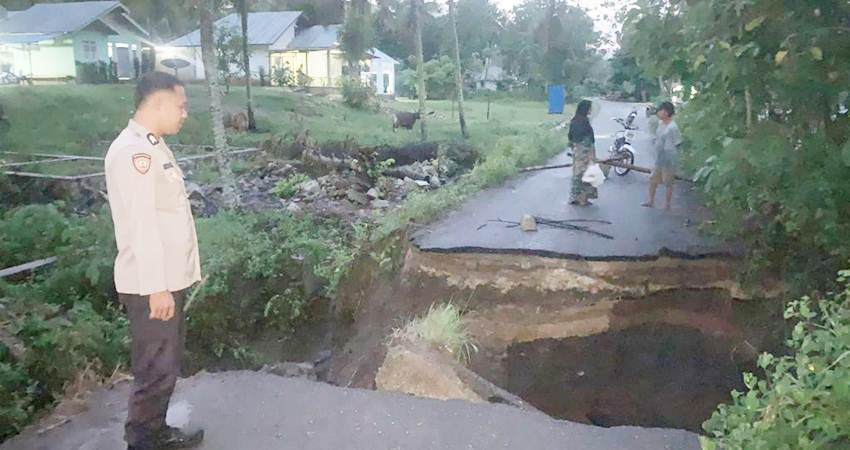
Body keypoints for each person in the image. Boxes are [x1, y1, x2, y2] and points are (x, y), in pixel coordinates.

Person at [104, 71, 204, 450]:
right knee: (155, 368)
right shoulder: (135, 153)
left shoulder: (152, 144)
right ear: (157, 103)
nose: (184, 114)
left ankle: (155, 432)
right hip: (152, 284)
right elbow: (141, 225)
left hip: (163, 280)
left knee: (164, 364)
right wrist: (156, 288)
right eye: (180, 106)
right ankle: (144, 440)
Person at [642, 101, 682, 210]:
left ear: (666, 112)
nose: (658, 113)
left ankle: (667, 204)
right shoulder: (661, 124)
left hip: (669, 157)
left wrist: (675, 158)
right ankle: (651, 201)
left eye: (660, 111)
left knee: (668, 181)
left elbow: (678, 143)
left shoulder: (673, 128)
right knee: (653, 179)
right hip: (660, 156)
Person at [568, 99, 598, 206]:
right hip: (586, 150)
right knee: (587, 172)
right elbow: (590, 138)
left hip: (577, 150)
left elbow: (570, 137)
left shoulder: (574, 120)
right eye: (590, 108)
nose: (591, 110)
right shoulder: (585, 121)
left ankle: (574, 196)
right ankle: (583, 199)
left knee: (577, 172)